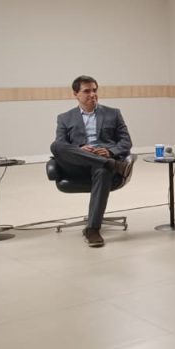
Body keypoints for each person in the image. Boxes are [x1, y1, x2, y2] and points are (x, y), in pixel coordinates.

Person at [51, 75, 133, 248]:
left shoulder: (113, 113)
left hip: (102, 162)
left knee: (103, 170)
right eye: (87, 91)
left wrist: (110, 152)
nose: (92, 94)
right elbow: (62, 145)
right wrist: (80, 148)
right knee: (56, 146)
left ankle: (93, 229)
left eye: (94, 90)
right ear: (76, 94)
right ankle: (110, 164)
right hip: (77, 164)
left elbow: (126, 142)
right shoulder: (64, 118)